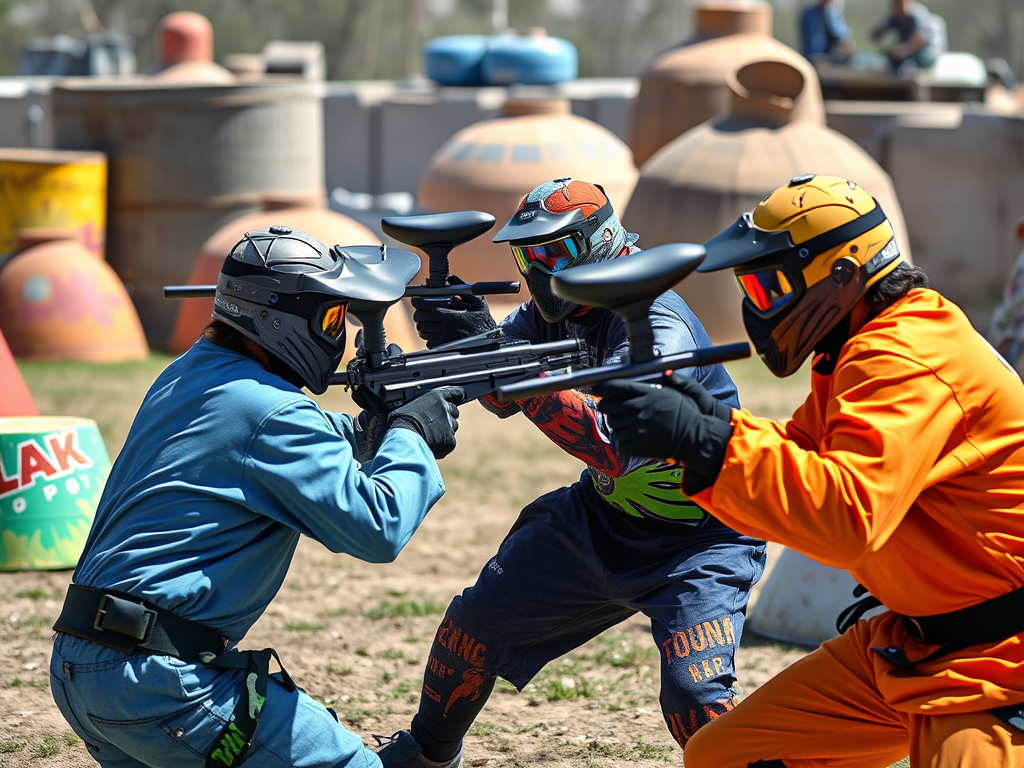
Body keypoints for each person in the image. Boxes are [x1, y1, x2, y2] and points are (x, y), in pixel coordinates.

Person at [593, 174, 1024, 768]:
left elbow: (846, 517)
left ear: (844, 276)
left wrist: (703, 439)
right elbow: (801, 457)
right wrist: (707, 421)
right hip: (915, 642)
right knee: (724, 756)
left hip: (1002, 660)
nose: (755, 305)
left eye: (769, 286)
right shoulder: (862, 344)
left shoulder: (902, 357)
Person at [375, 178, 767, 768]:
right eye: (526, 256)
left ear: (599, 243)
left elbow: (614, 446)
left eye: (553, 252)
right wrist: (455, 355)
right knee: (472, 629)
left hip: (704, 536)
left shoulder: (655, 318)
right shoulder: (551, 309)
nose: (537, 270)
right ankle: (425, 757)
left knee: (695, 699)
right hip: (602, 520)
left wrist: (500, 365)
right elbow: (500, 395)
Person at [48, 227, 465, 768]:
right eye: (331, 318)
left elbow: (273, 444)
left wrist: (374, 429)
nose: (335, 335)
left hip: (84, 669)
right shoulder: (273, 411)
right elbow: (378, 526)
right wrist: (410, 434)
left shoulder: (188, 374)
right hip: (162, 686)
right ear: (278, 319)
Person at [870, 0, 942, 74]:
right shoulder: (895, 16)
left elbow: (920, 38)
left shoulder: (918, 14)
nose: (899, 9)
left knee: (907, 64)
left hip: (926, 52)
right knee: (885, 55)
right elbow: (876, 33)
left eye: (901, 4)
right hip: (908, 52)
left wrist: (902, 50)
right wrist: (878, 32)